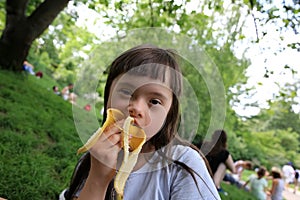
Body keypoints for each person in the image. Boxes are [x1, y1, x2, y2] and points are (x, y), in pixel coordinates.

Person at [62, 45, 221, 200]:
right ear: (108, 97)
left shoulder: (183, 164)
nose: (136, 108)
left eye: (155, 101)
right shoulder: (96, 157)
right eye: (126, 91)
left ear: (169, 113)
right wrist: (97, 179)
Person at [203, 129, 236, 194]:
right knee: (223, 165)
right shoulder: (224, 153)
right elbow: (233, 170)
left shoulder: (203, 145)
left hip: (197, 173)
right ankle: (216, 187)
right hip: (210, 180)